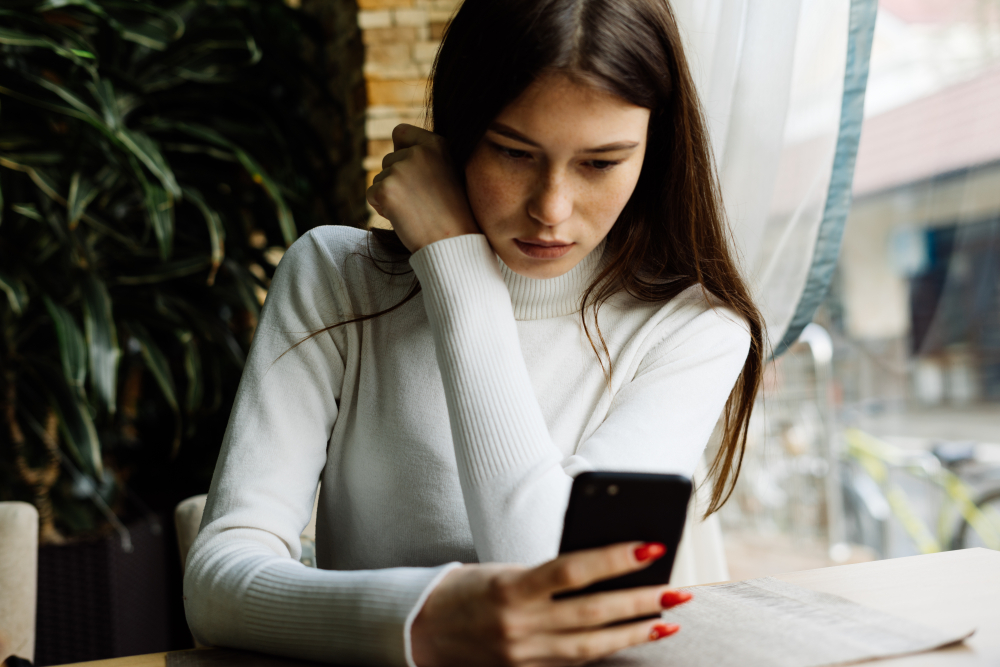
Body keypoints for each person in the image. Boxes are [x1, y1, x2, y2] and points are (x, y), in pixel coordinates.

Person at [183, 0, 765, 665]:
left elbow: (552, 578)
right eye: (514, 152)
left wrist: (458, 266)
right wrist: (426, 619)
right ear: (458, 131)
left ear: (653, 153)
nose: (551, 208)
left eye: (601, 163)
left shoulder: (694, 327)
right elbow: (214, 587)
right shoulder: (337, 276)